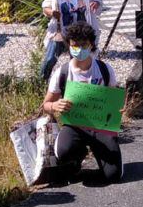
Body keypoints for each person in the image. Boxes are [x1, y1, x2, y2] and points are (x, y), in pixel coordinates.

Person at [41, 22, 123, 184]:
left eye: (83, 45)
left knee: (113, 176)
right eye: (75, 45)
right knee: (63, 151)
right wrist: (55, 106)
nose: (79, 49)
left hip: (100, 126)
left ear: (91, 44)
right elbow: (45, 105)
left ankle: (109, 156)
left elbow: (115, 99)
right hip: (75, 125)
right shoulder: (62, 72)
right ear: (69, 46)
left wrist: (118, 110)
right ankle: (77, 158)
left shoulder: (105, 69)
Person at [40, 0, 103, 79]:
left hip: (81, 32)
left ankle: (75, 85)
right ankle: (41, 82)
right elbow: (45, 7)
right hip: (60, 30)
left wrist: (94, 4)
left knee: (78, 60)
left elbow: (98, 1)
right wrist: (52, 13)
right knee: (50, 59)